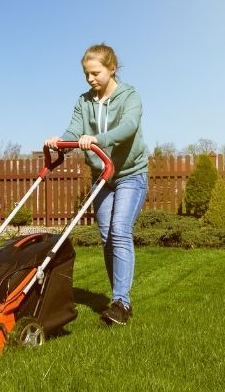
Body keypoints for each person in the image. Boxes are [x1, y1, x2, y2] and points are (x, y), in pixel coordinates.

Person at [45, 43, 148, 326]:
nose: (90, 79)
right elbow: (74, 128)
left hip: (130, 173)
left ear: (111, 68)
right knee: (106, 237)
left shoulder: (130, 97)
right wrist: (60, 142)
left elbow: (128, 127)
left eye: (95, 73)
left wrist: (98, 140)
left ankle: (121, 303)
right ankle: (118, 297)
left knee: (120, 230)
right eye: (86, 74)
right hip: (102, 177)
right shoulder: (84, 101)